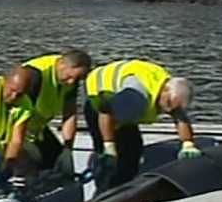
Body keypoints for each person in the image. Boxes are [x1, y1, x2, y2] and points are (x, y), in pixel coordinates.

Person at [84, 59, 200, 194]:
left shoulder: (169, 94)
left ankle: (124, 189)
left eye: (171, 108)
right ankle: (103, 192)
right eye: (168, 104)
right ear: (165, 90)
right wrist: (109, 145)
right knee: (111, 157)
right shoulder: (136, 96)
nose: (167, 110)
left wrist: (188, 143)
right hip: (100, 101)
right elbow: (105, 112)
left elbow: (179, 116)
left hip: (124, 106)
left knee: (133, 149)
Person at [20, 50, 92, 177]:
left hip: (38, 129)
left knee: (61, 167)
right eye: (70, 77)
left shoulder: (70, 80)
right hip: (16, 130)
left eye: (77, 79)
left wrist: (68, 148)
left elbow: (69, 114)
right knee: (29, 168)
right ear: (62, 64)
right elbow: (15, 113)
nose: (71, 82)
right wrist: (23, 143)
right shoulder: (35, 75)